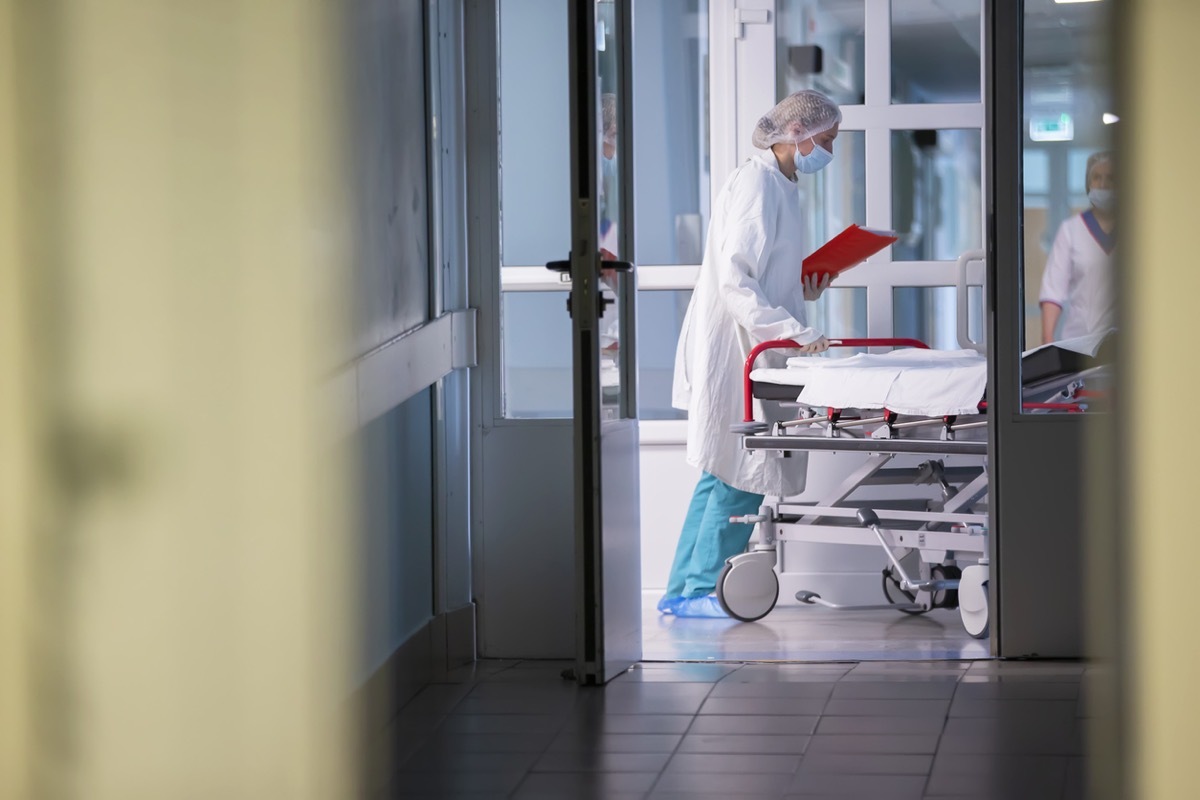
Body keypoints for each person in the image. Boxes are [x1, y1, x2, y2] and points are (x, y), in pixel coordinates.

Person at [661, 90, 840, 618]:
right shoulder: (758, 182)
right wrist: (793, 331)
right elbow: (735, 280)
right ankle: (702, 590)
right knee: (744, 468)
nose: (829, 152)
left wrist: (803, 289)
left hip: (757, 340)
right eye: (827, 140)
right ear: (797, 133)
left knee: (721, 469)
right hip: (741, 345)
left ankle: (682, 591)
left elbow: (764, 273)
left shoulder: (782, 185)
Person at [1039, 151, 1116, 344]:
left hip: (1124, 344)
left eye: (1110, 178)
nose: (1103, 184)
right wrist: (1047, 339)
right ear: (1088, 184)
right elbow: (1053, 290)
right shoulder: (1071, 230)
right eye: (1097, 177)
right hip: (1078, 342)